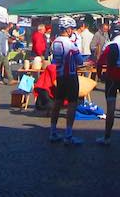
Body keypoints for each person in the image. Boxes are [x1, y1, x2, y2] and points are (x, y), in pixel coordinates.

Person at [48, 16, 84, 145]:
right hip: (71, 75)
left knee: (57, 103)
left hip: (60, 75)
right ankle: (68, 135)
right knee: (72, 104)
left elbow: (53, 60)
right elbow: (79, 60)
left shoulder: (55, 42)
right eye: (72, 29)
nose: (73, 31)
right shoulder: (69, 43)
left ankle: (53, 131)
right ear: (68, 29)